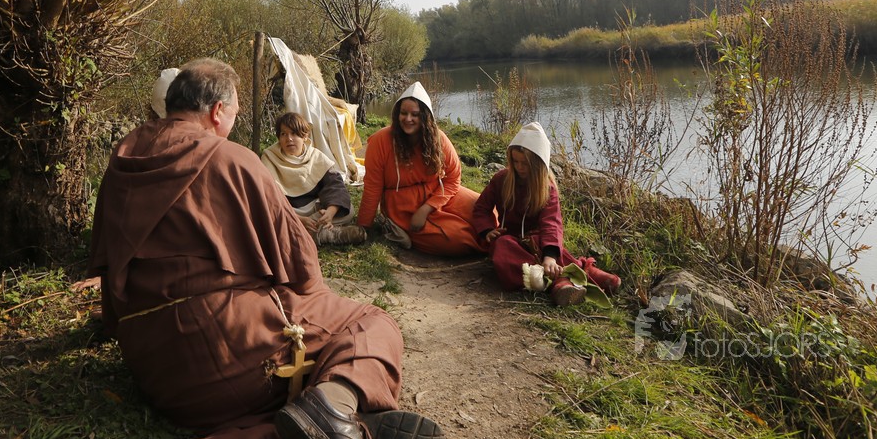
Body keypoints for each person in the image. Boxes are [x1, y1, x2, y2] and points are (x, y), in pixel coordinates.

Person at [89, 59, 444, 439]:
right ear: (217, 111)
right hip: (231, 365)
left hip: (157, 375)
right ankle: (336, 407)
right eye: (234, 114)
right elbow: (301, 268)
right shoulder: (232, 159)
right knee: (371, 323)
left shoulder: (122, 160)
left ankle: (342, 424)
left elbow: (107, 268)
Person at [471, 122, 622, 307]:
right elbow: (481, 208)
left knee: (548, 249)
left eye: (525, 163)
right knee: (502, 249)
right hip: (510, 239)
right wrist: (487, 230)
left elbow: (551, 223)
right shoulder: (501, 179)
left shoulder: (547, 188)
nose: (519, 167)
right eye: (515, 162)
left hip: (538, 239)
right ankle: (561, 280)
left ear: (538, 163)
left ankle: (578, 272)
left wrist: (549, 256)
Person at [356, 82, 485, 256]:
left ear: (425, 116)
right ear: (397, 113)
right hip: (401, 204)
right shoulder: (380, 141)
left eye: (415, 114)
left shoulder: (438, 139)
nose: (408, 119)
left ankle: (502, 243)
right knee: (460, 239)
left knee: (485, 210)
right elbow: (373, 188)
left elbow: (453, 178)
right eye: (403, 113)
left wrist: (427, 208)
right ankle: (391, 225)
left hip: (438, 193)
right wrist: (363, 226)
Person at [261, 111, 367, 247]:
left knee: (348, 210)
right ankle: (324, 234)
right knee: (267, 217)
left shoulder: (316, 156)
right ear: (279, 138)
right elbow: (268, 197)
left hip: (313, 210)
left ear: (305, 136)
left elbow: (335, 185)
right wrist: (298, 219)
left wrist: (330, 213)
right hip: (288, 211)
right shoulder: (269, 158)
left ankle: (300, 232)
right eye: (283, 134)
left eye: (294, 133)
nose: (289, 139)